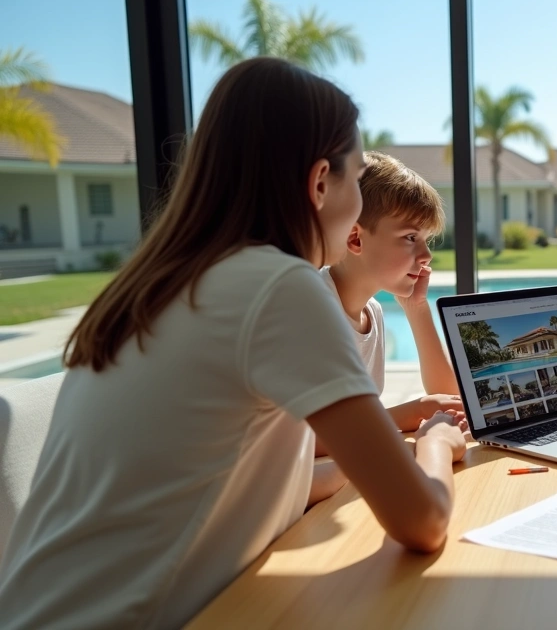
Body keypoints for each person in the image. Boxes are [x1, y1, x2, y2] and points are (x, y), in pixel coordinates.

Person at [0, 58, 466, 629]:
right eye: (356, 178)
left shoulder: (161, 283)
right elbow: (422, 522)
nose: (358, 205)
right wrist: (435, 443)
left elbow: (242, 474)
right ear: (320, 182)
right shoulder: (278, 287)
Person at [314, 151, 464, 460]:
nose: (427, 256)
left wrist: (416, 308)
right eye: (410, 237)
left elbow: (451, 399)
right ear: (355, 239)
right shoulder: (313, 310)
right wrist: (410, 412)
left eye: (426, 240)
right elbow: (301, 441)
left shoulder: (372, 312)